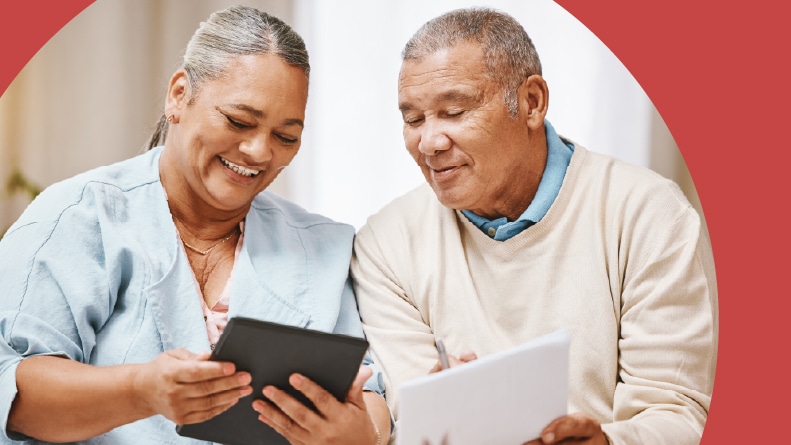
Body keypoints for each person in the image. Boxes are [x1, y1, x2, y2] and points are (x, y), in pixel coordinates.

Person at [0, 6, 390, 445]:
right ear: (179, 95)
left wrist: (363, 437)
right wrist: (139, 391)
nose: (259, 151)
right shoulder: (76, 217)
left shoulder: (324, 248)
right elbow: (11, 391)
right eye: (239, 121)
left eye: (286, 137)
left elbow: (368, 390)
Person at [351, 7, 717, 445]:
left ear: (531, 103)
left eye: (453, 110)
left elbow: (676, 416)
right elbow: (405, 424)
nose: (428, 142)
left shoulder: (647, 213)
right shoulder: (385, 243)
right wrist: (443, 413)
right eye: (413, 120)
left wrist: (605, 442)